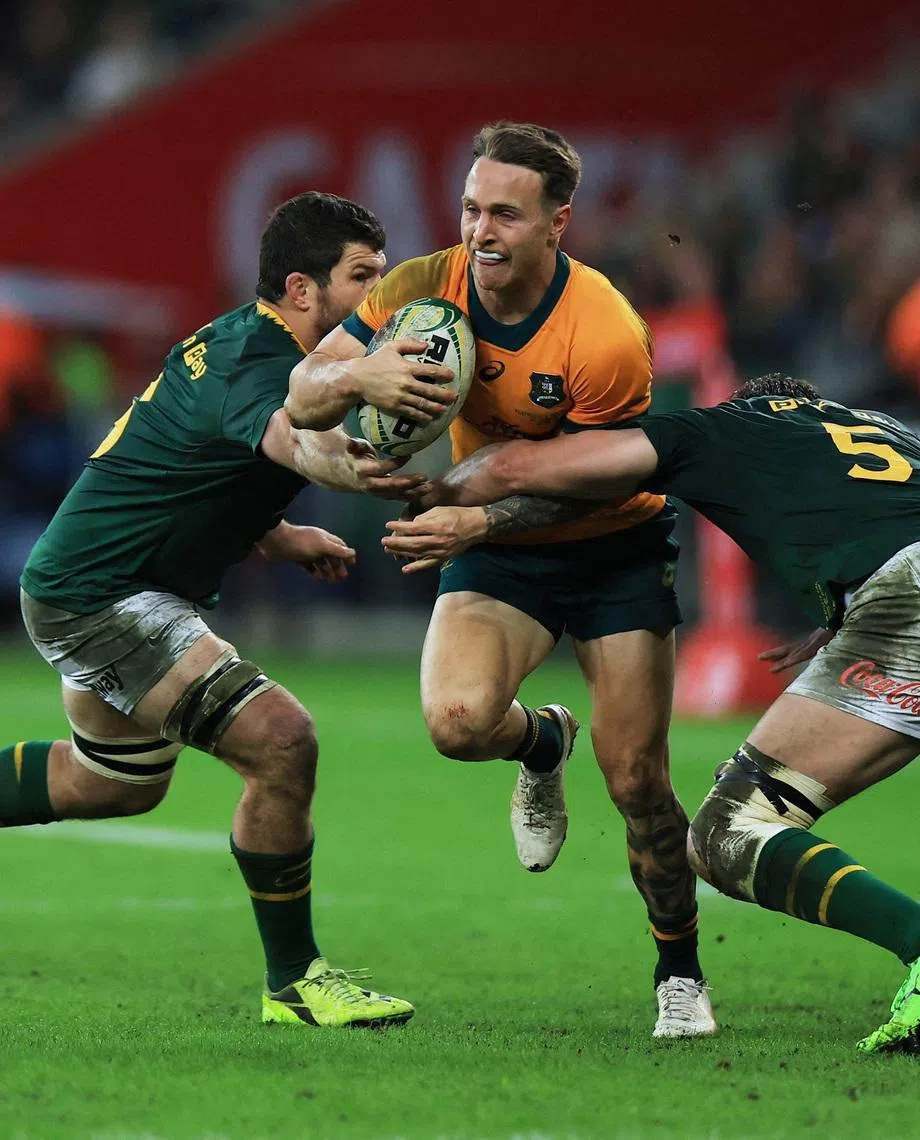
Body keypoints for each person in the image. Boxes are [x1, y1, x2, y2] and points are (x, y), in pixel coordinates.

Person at [384, 373, 920, 1053]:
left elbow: (524, 465)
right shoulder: (882, 426)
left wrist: (448, 496)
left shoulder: (722, 426)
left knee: (724, 833)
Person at [286, 122, 714, 1038]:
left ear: (558, 224)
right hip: (495, 543)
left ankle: (679, 970)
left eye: (505, 215)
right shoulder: (421, 289)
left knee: (637, 778)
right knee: (454, 722)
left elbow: (592, 484)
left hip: (611, 544)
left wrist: (474, 515)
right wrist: (364, 373)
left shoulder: (605, 335)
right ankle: (539, 746)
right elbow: (302, 396)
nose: (480, 231)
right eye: (472, 207)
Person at [6, 191, 453, 1028]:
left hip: (97, 583)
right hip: (99, 597)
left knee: (108, 784)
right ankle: (296, 982)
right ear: (302, 288)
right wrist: (364, 445)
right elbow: (295, 442)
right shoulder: (261, 360)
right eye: (364, 278)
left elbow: (192, 474)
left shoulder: (251, 346)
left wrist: (280, 536)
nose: (381, 301)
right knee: (283, 743)